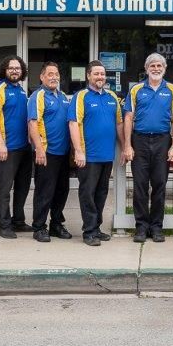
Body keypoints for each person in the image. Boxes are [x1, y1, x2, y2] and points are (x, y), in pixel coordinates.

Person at [122, 53, 173, 244]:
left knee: (159, 186)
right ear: (146, 68)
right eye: (152, 66)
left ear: (164, 68)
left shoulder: (172, 90)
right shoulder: (136, 89)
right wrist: (127, 145)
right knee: (139, 186)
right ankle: (141, 227)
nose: (156, 69)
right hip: (139, 141)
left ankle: (156, 227)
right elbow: (128, 117)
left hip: (163, 141)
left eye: (159, 66)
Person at [68, 61, 124, 246]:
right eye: (96, 74)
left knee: (101, 193)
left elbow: (119, 124)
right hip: (88, 156)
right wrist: (78, 151)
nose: (100, 77)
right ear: (88, 76)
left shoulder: (112, 97)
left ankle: (97, 228)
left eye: (102, 74)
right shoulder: (81, 96)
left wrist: (124, 146)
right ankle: (89, 231)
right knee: (87, 194)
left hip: (107, 155)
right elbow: (73, 123)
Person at [0, 55, 32, 239]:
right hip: (8, 148)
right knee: (5, 188)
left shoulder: (21, 91)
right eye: (11, 68)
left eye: (18, 68)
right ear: (4, 70)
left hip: (24, 147)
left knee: (23, 186)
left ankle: (18, 221)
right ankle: (4, 225)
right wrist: (1, 144)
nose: (15, 71)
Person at [28, 62, 73, 243]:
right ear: (42, 76)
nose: (54, 77)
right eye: (50, 74)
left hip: (63, 153)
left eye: (56, 74)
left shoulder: (62, 96)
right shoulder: (38, 96)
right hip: (46, 152)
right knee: (44, 192)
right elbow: (32, 123)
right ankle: (39, 227)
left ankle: (56, 224)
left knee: (62, 190)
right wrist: (39, 149)